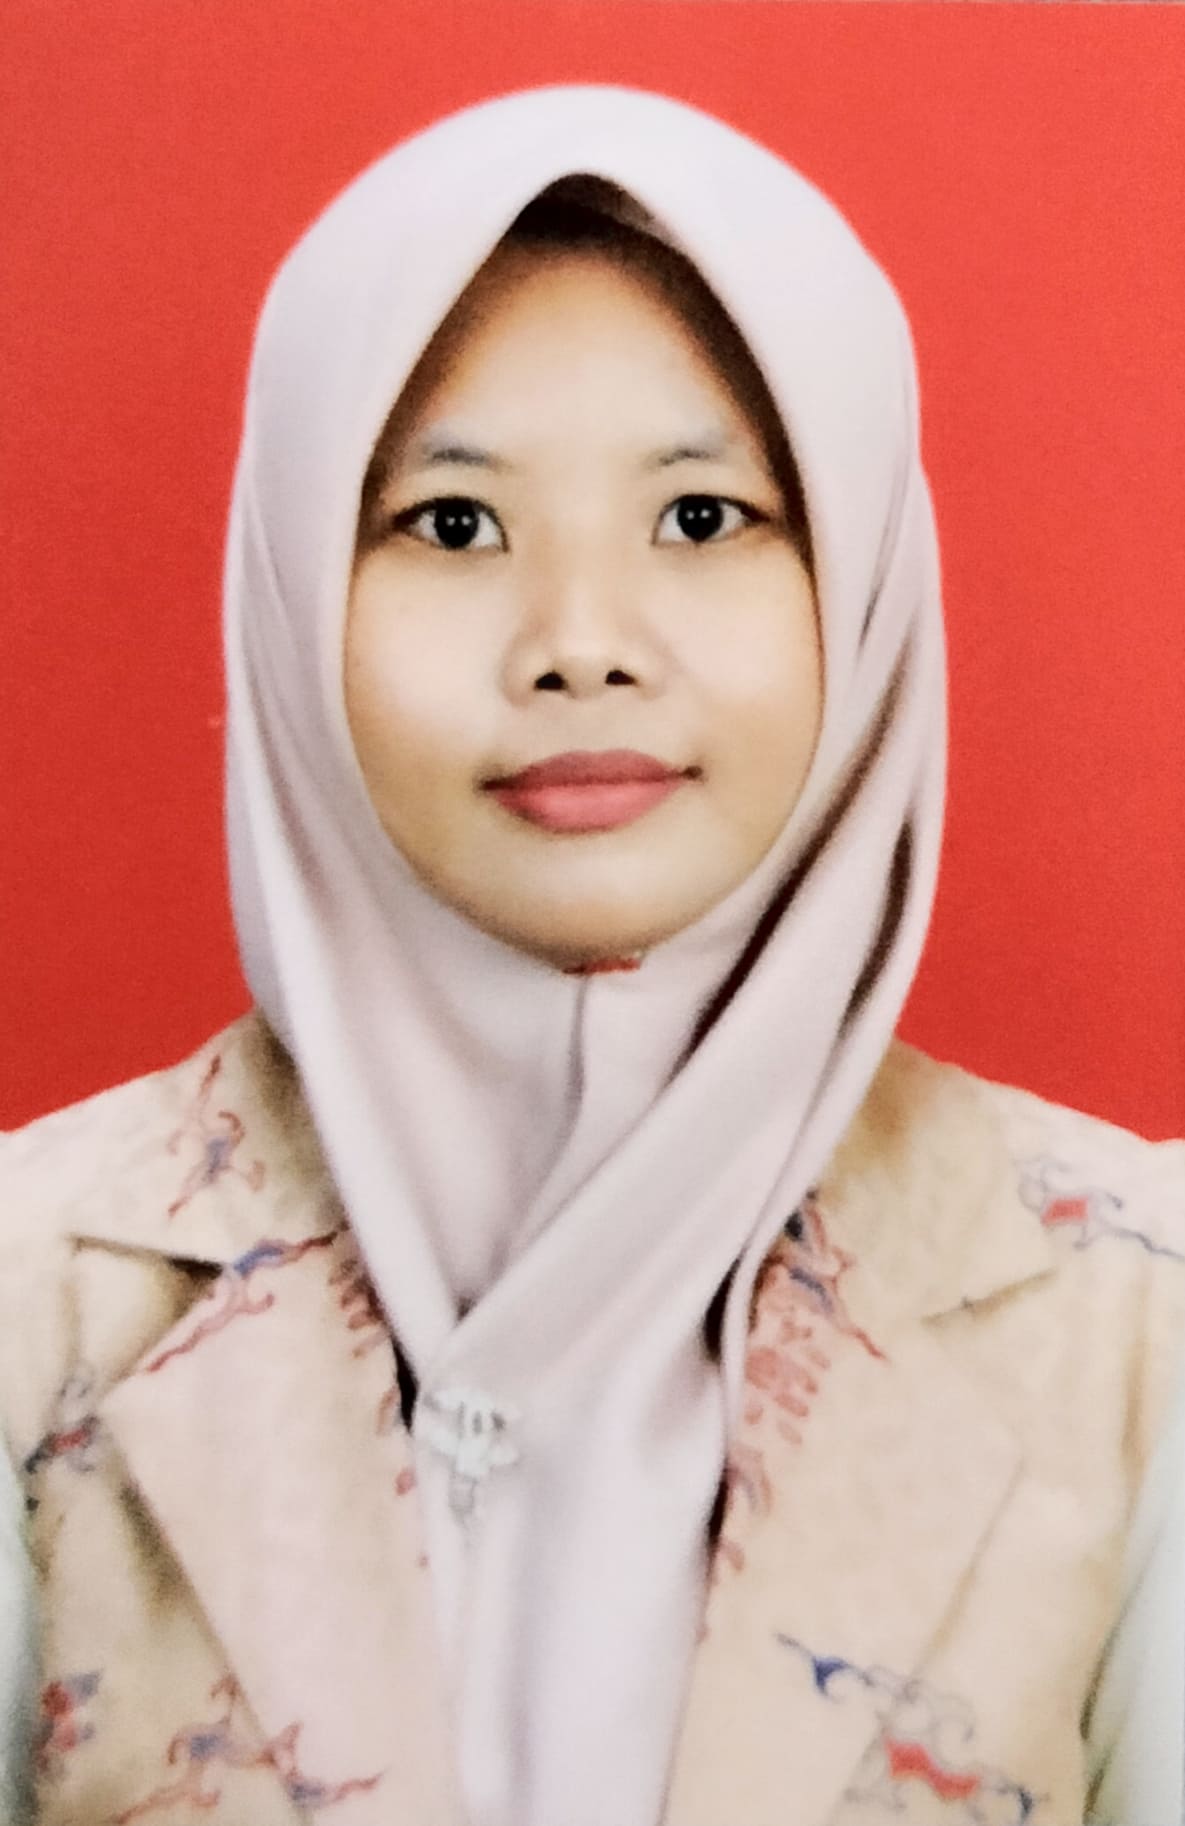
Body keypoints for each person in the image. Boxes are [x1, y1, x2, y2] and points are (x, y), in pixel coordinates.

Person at [1, 83, 1183, 1826]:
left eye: (701, 517)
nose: (579, 643)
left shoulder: (1137, 1313)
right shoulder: (33, 1296)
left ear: (859, 588)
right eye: (451, 523)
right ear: (291, 590)